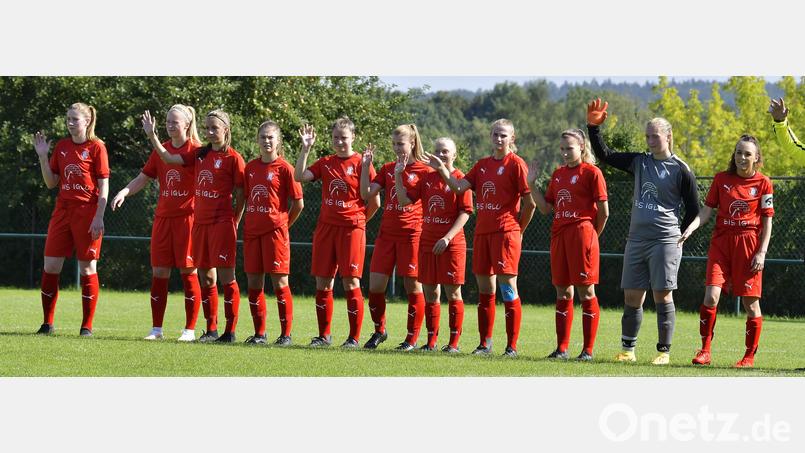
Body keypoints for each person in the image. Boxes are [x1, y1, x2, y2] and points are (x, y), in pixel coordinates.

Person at [586, 98, 700, 365]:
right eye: (647, 135)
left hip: (665, 241)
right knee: (632, 296)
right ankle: (628, 350)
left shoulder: (681, 169)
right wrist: (593, 128)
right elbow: (605, 155)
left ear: (668, 136)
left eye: (655, 135)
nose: (649, 140)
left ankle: (663, 352)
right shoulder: (639, 161)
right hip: (636, 240)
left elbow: (694, 209)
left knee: (662, 294)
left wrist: (679, 235)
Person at [428, 119, 536, 357]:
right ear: (490, 136)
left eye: (503, 135)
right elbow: (457, 188)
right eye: (495, 134)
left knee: (508, 287)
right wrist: (443, 170)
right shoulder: (482, 165)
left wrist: (518, 229)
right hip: (482, 234)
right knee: (485, 289)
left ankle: (511, 347)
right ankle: (485, 344)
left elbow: (530, 204)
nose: (499, 139)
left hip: (506, 233)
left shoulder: (516, 164)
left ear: (512, 139)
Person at [145, 109, 245, 343]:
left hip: (222, 223)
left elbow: (241, 193)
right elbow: (169, 158)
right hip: (199, 224)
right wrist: (152, 136)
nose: (210, 132)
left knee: (226, 277)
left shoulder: (234, 158)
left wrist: (236, 219)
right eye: (207, 128)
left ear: (226, 130)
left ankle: (229, 332)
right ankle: (211, 330)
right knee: (206, 278)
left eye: (215, 128)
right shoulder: (199, 154)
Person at [680, 135, 773, 368]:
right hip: (721, 244)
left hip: (749, 245)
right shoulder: (721, 179)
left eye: (747, 154)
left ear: (756, 158)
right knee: (711, 295)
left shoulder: (764, 183)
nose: (742, 157)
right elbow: (706, 211)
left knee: (751, 304)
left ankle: (749, 357)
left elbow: (768, 222)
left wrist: (762, 252)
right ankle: (705, 351)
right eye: (739, 152)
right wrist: (690, 228)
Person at [111, 104, 202, 342]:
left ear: (187, 124)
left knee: (188, 271)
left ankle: (189, 330)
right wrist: (124, 191)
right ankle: (156, 329)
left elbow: (169, 158)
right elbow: (143, 177)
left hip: (187, 219)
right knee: (159, 272)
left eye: (175, 122)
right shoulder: (161, 149)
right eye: (168, 122)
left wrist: (151, 136)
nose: (170, 126)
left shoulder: (197, 150)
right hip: (163, 219)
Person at [294, 118, 379, 348]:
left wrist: (358, 220)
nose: (340, 142)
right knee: (323, 283)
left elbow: (375, 202)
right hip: (326, 229)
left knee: (351, 283)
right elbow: (299, 176)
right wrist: (305, 148)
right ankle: (324, 336)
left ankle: (353, 338)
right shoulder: (326, 162)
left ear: (353, 137)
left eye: (344, 137)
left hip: (352, 230)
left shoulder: (363, 162)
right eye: (336, 138)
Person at [529, 129, 609, 361]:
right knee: (563, 290)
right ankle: (562, 349)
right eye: (562, 149)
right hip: (559, 234)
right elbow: (545, 208)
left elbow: (603, 212)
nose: (564, 153)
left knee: (586, 291)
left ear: (582, 147)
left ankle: (587, 351)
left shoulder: (592, 173)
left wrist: (592, 234)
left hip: (582, 233)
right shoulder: (558, 174)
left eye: (569, 148)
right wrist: (532, 185)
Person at [34, 102, 109, 337]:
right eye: (68, 118)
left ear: (87, 121)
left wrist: (99, 216)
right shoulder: (62, 146)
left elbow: (104, 185)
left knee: (87, 269)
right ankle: (47, 323)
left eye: (75, 119)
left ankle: (86, 326)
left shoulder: (97, 147)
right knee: (51, 266)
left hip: (87, 212)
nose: (70, 122)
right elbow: (50, 183)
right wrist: (43, 157)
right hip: (62, 211)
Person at [396, 137, 472, 352]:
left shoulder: (460, 180)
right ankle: (431, 342)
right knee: (431, 293)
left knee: (453, 294)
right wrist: (398, 175)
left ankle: (454, 344)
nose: (440, 155)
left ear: (454, 155)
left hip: (451, 243)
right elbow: (404, 201)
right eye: (437, 151)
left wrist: (447, 238)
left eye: (445, 151)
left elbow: (465, 213)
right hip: (428, 241)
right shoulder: (427, 178)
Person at [360, 124, 432, 351]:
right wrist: (365, 167)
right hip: (386, 234)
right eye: (393, 144)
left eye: (400, 143)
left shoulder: (424, 171)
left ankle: (411, 339)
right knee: (375, 287)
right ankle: (379, 331)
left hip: (412, 234)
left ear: (412, 143)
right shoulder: (388, 168)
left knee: (413, 287)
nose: (396, 148)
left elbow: (409, 201)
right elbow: (365, 194)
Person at [242, 120, 304, 345]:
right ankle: (260, 334)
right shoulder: (250, 168)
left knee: (280, 283)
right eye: (263, 137)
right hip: (252, 233)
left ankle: (285, 335)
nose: (267, 141)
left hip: (276, 234)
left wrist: (284, 224)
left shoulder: (286, 168)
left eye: (271, 137)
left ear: (278, 141)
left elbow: (298, 204)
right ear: (257, 140)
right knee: (254, 283)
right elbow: (247, 198)